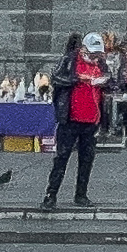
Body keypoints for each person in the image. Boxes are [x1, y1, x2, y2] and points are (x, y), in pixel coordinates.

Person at [43, 32, 107, 209]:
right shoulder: (70, 60)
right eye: (92, 53)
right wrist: (78, 78)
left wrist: (104, 82)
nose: (95, 57)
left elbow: (111, 81)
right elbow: (56, 78)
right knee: (61, 157)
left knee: (87, 159)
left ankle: (81, 195)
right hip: (70, 117)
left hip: (92, 118)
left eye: (97, 53)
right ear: (84, 49)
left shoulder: (101, 63)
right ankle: (50, 195)